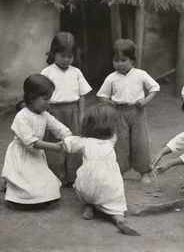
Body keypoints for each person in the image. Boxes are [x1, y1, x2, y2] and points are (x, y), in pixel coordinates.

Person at [63, 103, 140, 236]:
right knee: (115, 198)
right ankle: (118, 218)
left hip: (87, 185)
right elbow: (113, 133)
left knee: (81, 184)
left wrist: (65, 137)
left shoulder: (84, 141)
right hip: (108, 184)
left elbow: (67, 144)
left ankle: (89, 205)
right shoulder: (111, 140)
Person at [1, 74, 72, 208]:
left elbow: (59, 127)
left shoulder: (45, 115)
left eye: (49, 98)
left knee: (50, 187)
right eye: (45, 99)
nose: (49, 102)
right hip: (22, 156)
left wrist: (67, 136)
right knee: (25, 186)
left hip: (36, 157)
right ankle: (14, 194)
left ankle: (31, 195)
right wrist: (55, 147)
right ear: (31, 97)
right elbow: (31, 143)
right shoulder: (22, 117)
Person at [97, 39, 160, 183]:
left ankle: (144, 172)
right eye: (115, 60)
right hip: (119, 114)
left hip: (137, 113)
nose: (119, 64)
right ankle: (119, 171)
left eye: (123, 60)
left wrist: (144, 101)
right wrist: (111, 103)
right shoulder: (111, 78)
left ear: (132, 60)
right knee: (120, 143)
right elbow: (102, 96)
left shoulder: (140, 74)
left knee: (140, 143)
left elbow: (155, 88)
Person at [41, 31, 92, 186]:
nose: (66, 60)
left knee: (74, 144)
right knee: (54, 145)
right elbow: (41, 95)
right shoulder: (47, 72)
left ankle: (73, 177)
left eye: (69, 56)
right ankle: (55, 177)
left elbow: (82, 95)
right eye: (62, 55)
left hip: (72, 112)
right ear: (53, 53)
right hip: (53, 113)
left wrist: (82, 114)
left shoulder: (76, 72)